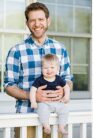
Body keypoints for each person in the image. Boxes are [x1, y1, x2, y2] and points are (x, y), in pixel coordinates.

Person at [4, 2, 73, 138]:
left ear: (48, 20)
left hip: (54, 117)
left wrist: (63, 91)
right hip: (26, 116)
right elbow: (8, 85)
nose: (37, 24)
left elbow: (68, 79)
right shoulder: (16, 51)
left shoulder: (60, 49)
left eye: (40, 19)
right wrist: (33, 96)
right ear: (27, 23)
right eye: (32, 20)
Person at [30, 54, 70, 135]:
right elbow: (32, 90)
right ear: (41, 69)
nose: (49, 70)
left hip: (57, 102)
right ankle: (46, 126)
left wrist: (66, 97)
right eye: (45, 68)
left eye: (52, 67)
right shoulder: (39, 80)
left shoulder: (59, 79)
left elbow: (67, 87)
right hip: (44, 103)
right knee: (42, 110)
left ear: (57, 68)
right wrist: (33, 102)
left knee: (65, 110)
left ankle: (61, 127)